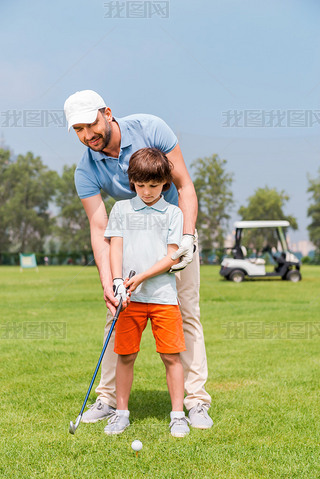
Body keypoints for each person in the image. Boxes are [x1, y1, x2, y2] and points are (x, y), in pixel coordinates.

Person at [63, 90, 213, 429]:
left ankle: (196, 402)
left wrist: (187, 238)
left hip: (176, 233)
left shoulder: (152, 129)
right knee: (115, 314)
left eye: (91, 124)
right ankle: (108, 400)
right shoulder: (85, 170)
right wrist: (108, 283)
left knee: (186, 313)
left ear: (107, 113)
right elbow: (99, 226)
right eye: (78, 130)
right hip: (129, 242)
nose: (87, 135)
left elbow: (185, 186)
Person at [104, 148, 189, 437]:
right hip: (130, 300)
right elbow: (115, 246)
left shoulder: (173, 213)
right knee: (125, 356)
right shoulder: (121, 210)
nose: (147, 192)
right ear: (132, 183)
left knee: (171, 357)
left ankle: (178, 415)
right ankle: (121, 413)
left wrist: (140, 276)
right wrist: (118, 281)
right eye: (140, 185)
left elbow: (172, 257)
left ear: (165, 182)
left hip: (164, 298)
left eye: (153, 186)